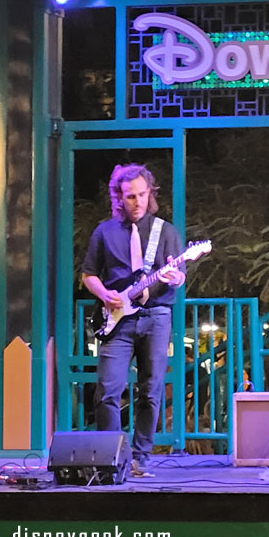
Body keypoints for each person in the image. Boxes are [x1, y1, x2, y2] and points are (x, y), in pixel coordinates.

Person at [81, 163, 185, 476]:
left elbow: (178, 277)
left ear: (150, 194)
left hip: (156, 316)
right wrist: (104, 295)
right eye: (130, 196)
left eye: (141, 194)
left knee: (150, 389)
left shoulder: (165, 231)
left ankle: (140, 457)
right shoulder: (105, 231)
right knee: (108, 388)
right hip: (118, 320)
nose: (137, 201)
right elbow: (88, 274)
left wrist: (176, 276)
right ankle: (111, 455)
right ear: (119, 197)